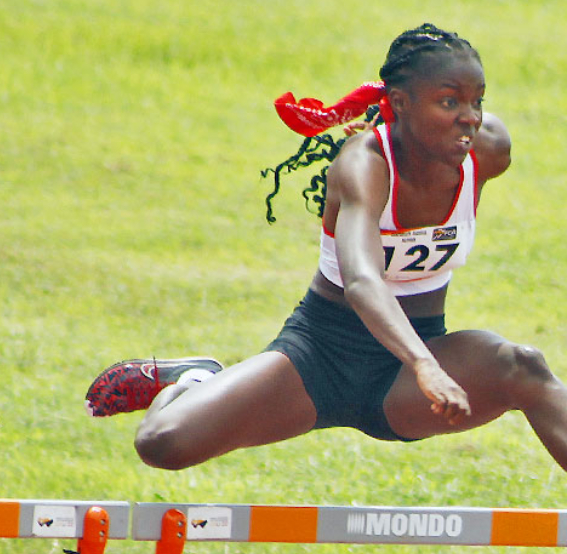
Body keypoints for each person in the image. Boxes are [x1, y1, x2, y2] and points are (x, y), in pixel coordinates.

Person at [85, 24, 567, 475]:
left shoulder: (486, 152)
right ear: (400, 103)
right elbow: (361, 281)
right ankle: (193, 381)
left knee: (522, 367)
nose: (468, 117)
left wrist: (422, 362)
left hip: (407, 372)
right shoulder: (363, 165)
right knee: (162, 444)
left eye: (476, 101)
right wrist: (424, 366)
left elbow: (473, 124)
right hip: (321, 356)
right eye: (448, 102)